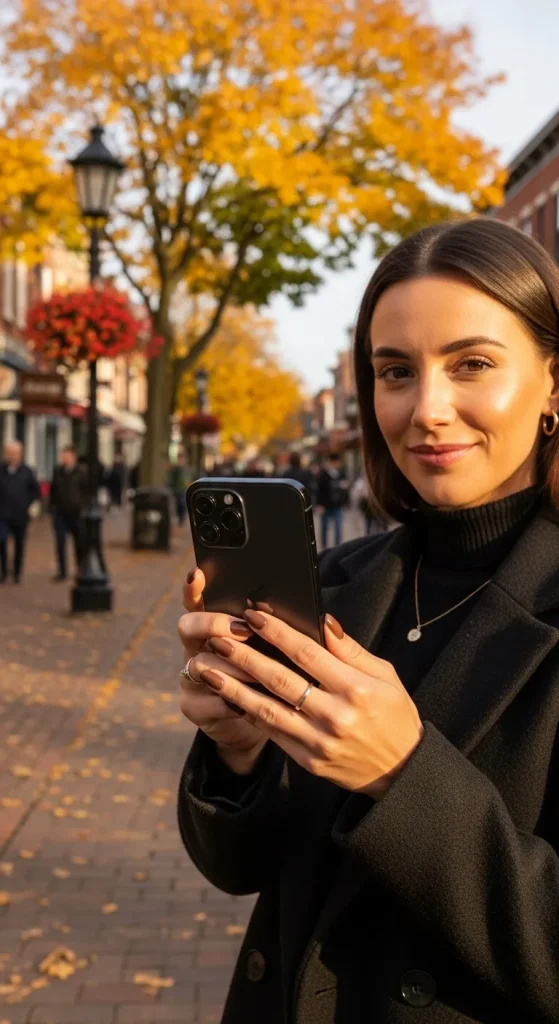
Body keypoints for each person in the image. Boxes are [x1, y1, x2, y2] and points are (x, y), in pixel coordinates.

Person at [176, 218, 559, 1024]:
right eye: (395, 372)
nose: (426, 409)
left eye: (471, 364)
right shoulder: (337, 583)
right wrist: (237, 753)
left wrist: (402, 776)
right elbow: (242, 869)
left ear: (552, 383)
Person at [0, 440, 41, 583]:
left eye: (15, 453)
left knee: (19, 544)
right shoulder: (1, 471)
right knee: (2, 541)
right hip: (3, 515)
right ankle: (4, 571)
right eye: (10, 453)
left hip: (20, 515)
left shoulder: (27, 472)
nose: (13, 456)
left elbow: (35, 492)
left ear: (20, 455)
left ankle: (17, 573)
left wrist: (32, 506)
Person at [49, 445, 85, 581]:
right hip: (60, 514)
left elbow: (86, 492)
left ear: (74, 457)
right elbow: (53, 491)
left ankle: (81, 569)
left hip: (76, 513)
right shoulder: (57, 471)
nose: (64, 459)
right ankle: (62, 571)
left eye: (67, 456)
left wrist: (82, 507)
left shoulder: (81, 473)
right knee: (60, 543)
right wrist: (52, 508)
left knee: (79, 543)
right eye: (63, 456)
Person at [316, 451, 348, 547]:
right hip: (325, 506)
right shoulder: (323, 474)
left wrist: (345, 501)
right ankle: (324, 547)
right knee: (324, 528)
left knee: (338, 528)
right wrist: (319, 504)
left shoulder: (341, 473)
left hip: (337, 505)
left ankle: (337, 547)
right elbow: (319, 490)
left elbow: (345, 490)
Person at [167, 450, 190, 525]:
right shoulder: (175, 469)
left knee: (182, 504)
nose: (181, 461)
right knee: (178, 504)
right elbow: (171, 479)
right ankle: (179, 518)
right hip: (177, 490)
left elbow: (189, 478)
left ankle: (181, 519)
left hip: (184, 490)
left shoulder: (187, 469)